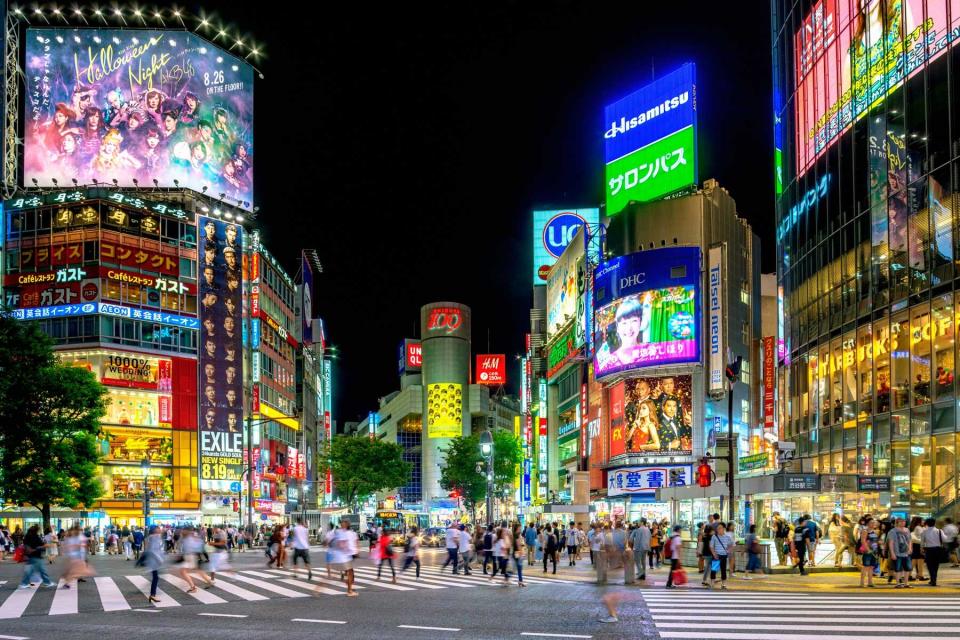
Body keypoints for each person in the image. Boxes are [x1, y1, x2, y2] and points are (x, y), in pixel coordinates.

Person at [326, 518, 359, 596]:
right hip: (342, 556)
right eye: (341, 523)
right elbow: (336, 543)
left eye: (343, 522)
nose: (341, 524)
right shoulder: (339, 532)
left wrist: (355, 551)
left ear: (347, 524)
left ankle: (349, 588)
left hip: (346, 556)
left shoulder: (347, 532)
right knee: (349, 572)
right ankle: (349, 590)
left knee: (350, 572)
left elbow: (353, 543)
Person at [18, 525, 54, 589]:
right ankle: (47, 582)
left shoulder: (27, 536)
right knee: (42, 570)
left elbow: (26, 545)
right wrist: (46, 546)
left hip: (30, 555)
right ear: (36, 530)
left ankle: (24, 583)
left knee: (30, 570)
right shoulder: (35, 537)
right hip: (36, 555)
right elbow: (39, 545)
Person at [920, 517, 946, 587]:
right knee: (936, 565)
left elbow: (922, 542)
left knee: (930, 565)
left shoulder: (924, 531)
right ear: (934, 523)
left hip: (929, 550)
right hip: (938, 550)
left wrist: (921, 549)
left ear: (927, 524)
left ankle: (933, 580)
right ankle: (933, 580)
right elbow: (944, 539)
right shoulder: (939, 531)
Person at [888, 517, 912, 588]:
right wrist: (892, 553)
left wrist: (910, 548)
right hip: (897, 552)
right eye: (901, 522)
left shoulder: (907, 530)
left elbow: (910, 540)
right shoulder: (892, 531)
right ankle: (898, 583)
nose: (903, 523)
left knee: (907, 568)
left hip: (906, 553)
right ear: (897, 523)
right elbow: (891, 543)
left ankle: (906, 583)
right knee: (898, 568)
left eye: (904, 521)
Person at [709, 522, 733, 589]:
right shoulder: (714, 536)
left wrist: (728, 551)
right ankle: (712, 583)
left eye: (720, 528)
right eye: (717, 528)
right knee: (714, 570)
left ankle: (723, 584)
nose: (718, 530)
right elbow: (711, 546)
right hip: (716, 556)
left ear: (724, 529)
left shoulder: (727, 537)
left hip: (724, 555)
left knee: (723, 570)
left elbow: (731, 545)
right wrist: (714, 554)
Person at [858, 517, 879, 588]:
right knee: (865, 566)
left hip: (874, 551)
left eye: (874, 522)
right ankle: (862, 582)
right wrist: (867, 549)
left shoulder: (875, 531)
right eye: (871, 522)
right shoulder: (865, 531)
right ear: (868, 524)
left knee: (871, 567)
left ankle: (870, 582)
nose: (873, 524)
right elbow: (863, 541)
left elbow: (876, 541)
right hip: (868, 551)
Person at [910, 516, 927, 581]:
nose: (923, 521)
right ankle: (920, 575)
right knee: (920, 561)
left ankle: (915, 575)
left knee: (914, 560)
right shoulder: (918, 527)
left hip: (914, 545)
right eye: (922, 520)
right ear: (918, 521)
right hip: (919, 545)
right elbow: (922, 536)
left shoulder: (913, 527)